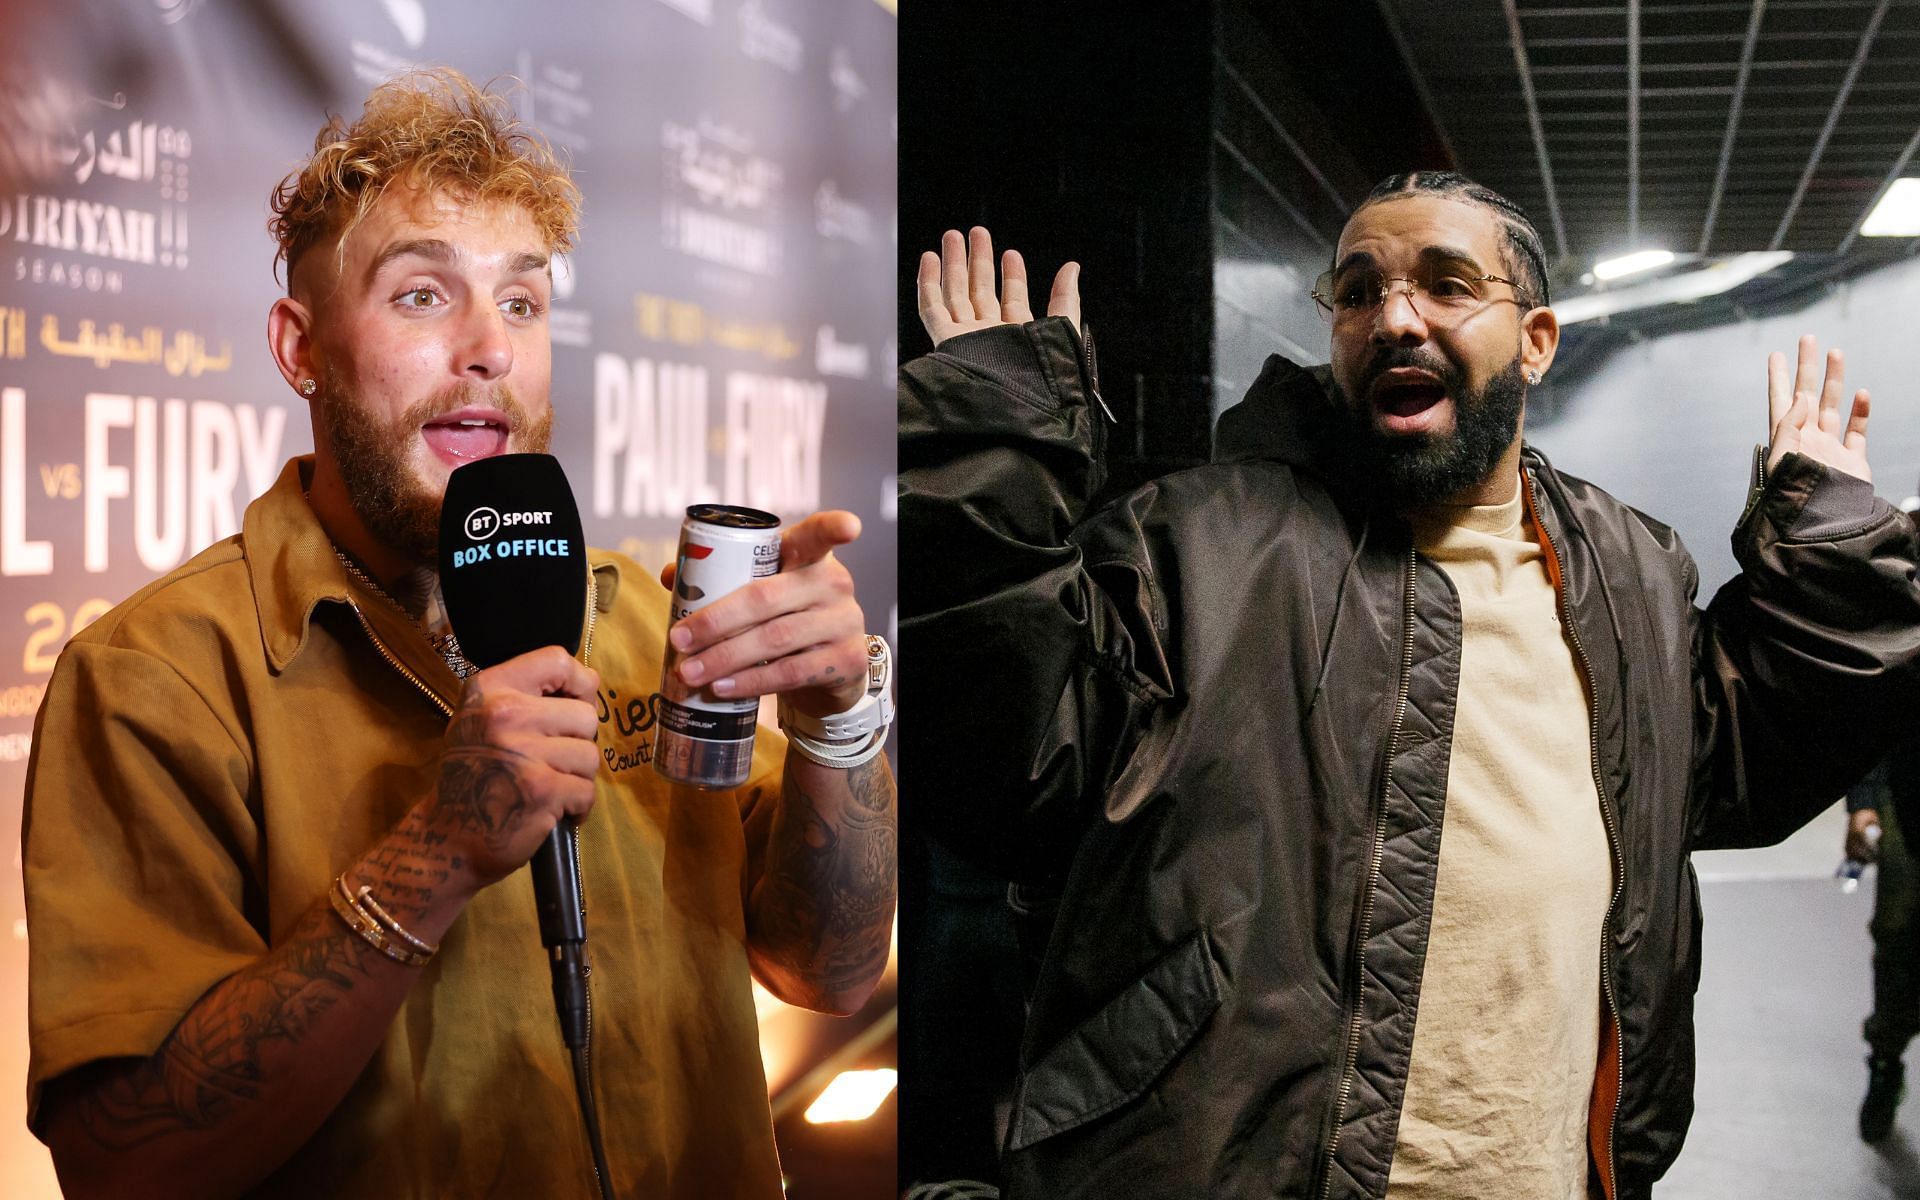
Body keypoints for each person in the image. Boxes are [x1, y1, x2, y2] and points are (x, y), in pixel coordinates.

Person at [899, 171, 1920, 1199]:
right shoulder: (1195, 547)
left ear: (1536, 339)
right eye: (1357, 291)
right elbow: (1011, 762)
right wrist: (988, 460)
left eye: (1445, 284)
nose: (1394, 317)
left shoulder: (1630, 569)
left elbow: (1740, 761)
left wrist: (1828, 571)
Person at [22, 69, 896, 1200]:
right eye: (423, 296)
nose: (490, 347)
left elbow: (826, 971)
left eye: (524, 302)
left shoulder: (637, 617)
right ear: (299, 349)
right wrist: (438, 852)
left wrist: (843, 725)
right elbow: (120, 1162)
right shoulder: (151, 680)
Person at [1846, 747, 1920, 1142]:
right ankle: (1885, 1062)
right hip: (1908, 798)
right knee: (1898, 937)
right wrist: (1863, 801)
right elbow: (1879, 697)